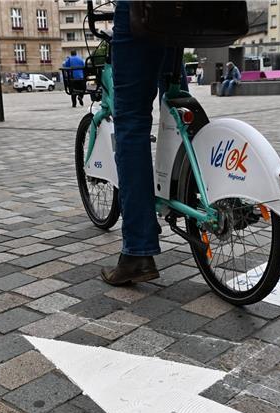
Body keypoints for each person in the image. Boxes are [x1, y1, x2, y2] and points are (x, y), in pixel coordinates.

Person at [100, 0, 188, 285]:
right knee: (177, 100)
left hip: (144, 8)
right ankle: (192, 190)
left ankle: (137, 251)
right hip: (185, 9)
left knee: (131, 122)